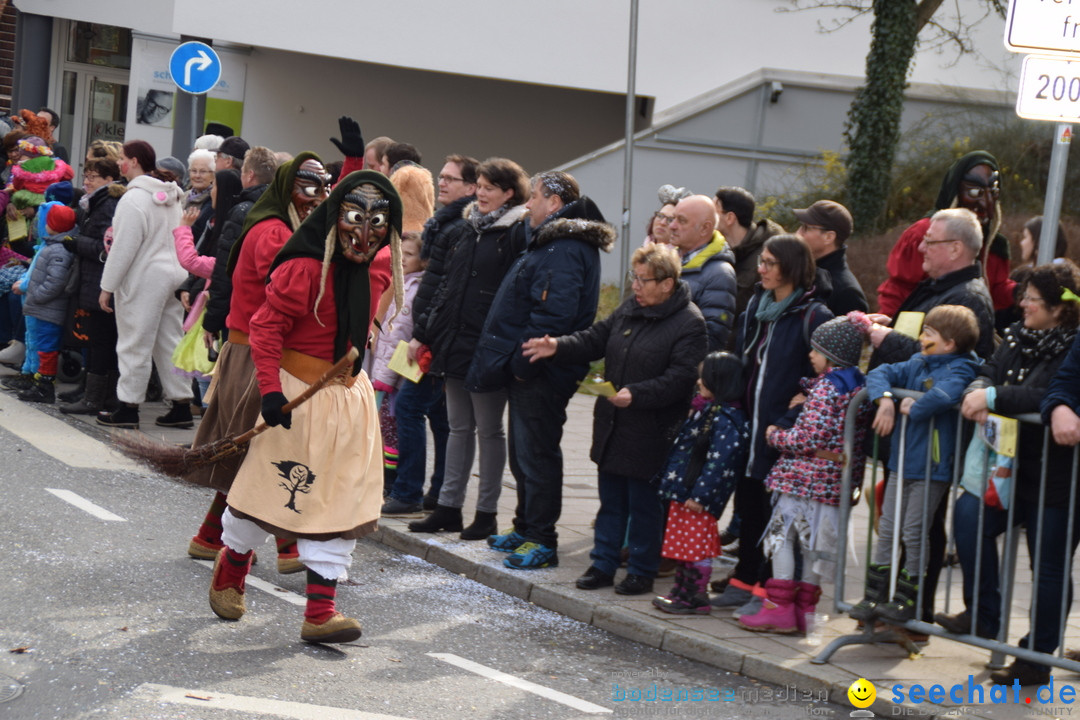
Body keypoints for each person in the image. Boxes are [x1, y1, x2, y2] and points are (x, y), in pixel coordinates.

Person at [208, 170, 403, 645]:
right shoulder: (302, 269)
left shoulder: (381, 268)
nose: (365, 232)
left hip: (350, 399)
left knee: (341, 498)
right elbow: (266, 328)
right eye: (356, 218)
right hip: (299, 396)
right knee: (269, 490)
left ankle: (320, 613)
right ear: (336, 218)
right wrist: (271, 392)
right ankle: (231, 568)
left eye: (378, 221)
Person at [523, 244, 707, 591]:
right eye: (633, 278)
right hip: (614, 425)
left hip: (652, 431)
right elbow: (595, 338)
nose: (635, 286)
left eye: (643, 280)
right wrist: (558, 346)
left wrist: (637, 394)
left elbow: (681, 377)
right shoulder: (629, 309)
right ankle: (602, 565)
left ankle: (641, 570)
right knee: (611, 504)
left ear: (667, 283)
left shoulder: (689, 323)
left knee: (645, 507)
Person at [934, 263, 1080, 686]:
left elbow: (1048, 392)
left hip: (1057, 472)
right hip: (1005, 462)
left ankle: (1037, 654)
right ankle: (983, 615)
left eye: (1032, 298)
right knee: (969, 518)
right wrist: (976, 391)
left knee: (1048, 564)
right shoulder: (1016, 333)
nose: (1023, 304)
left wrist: (994, 396)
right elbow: (989, 369)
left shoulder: (1071, 342)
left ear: (1058, 308)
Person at [185, 153, 330, 572]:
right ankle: (285, 549)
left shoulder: (282, 225)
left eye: (322, 189)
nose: (317, 199)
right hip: (254, 349)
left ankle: (211, 537)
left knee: (256, 447)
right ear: (288, 189)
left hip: (257, 345)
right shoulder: (273, 232)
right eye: (308, 189)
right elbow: (282, 294)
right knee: (263, 448)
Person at [469, 172, 614, 569]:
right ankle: (526, 525)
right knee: (524, 452)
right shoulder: (550, 242)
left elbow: (554, 314)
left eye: (534, 197)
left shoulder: (564, 247)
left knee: (536, 454)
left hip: (544, 368)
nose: (528, 205)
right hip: (533, 367)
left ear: (554, 202)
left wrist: (521, 366)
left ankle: (541, 537)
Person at [405, 158, 528, 535]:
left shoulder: (516, 232)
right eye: (481, 185)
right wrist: (424, 333)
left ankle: (487, 513)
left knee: (489, 430)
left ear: (509, 193)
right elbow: (445, 288)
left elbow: (516, 295)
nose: (483, 193)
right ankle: (448, 507)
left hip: (490, 347)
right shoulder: (467, 228)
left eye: (491, 187)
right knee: (459, 427)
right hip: (455, 343)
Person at [712, 235, 833, 612]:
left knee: (776, 517)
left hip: (784, 436)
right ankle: (745, 580)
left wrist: (797, 409)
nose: (760, 269)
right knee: (749, 509)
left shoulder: (814, 315)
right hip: (752, 429)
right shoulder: (756, 309)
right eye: (760, 261)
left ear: (791, 268)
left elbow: (828, 373)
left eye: (769, 263)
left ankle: (770, 591)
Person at [738, 314, 872, 633]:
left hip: (804, 478)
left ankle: (778, 607)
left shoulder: (826, 388)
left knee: (781, 537)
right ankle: (804, 609)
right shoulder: (856, 384)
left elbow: (806, 438)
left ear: (832, 356)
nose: (810, 355)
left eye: (815, 350)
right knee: (814, 545)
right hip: (832, 479)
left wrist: (773, 434)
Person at [853, 305, 981, 624]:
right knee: (887, 527)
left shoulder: (962, 368)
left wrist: (916, 406)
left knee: (913, 530)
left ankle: (907, 597)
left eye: (929, 334)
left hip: (931, 468)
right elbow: (880, 373)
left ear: (949, 343)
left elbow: (945, 394)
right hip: (901, 462)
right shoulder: (917, 362)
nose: (922, 338)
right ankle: (874, 594)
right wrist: (885, 399)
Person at [388, 154, 476, 513]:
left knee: (409, 407)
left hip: (436, 339)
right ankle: (437, 491)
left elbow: (443, 288)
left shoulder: (458, 227)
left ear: (470, 187)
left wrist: (422, 334)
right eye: (441, 176)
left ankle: (409, 491)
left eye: (452, 178)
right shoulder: (445, 222)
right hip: (435, 336)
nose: (444, 183)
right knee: (439, 416)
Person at [96, 140, 192, 429]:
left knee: (134, 342)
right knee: (169, 340)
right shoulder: (173, 195)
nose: (119, 164)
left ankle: (128, 407)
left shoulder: (134, 199)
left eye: (123, 158)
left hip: (144, 277)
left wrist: (107, 286)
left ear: (135, 161)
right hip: (174, 273)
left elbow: (124, 247)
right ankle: (181, 404)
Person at [651, 351, 749, 615]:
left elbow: (721, 463)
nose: (698, 382)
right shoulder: (707, 409)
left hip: (698, 497)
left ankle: (695, 596)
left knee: (695, 547)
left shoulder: (726, 418)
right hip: (685, 490)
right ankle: (681, 591)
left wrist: (701, 496)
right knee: (683, 544)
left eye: (703, 378)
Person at [877, 151, 1013, 326]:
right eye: (974, 192)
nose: (986, 202)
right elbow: (900, 291)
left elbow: (995, 289)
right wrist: (892, 333)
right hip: (923, 337)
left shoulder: (994, 245)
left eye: (993, 192)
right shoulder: (925, 233)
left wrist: (1026, 292)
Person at [60, 157, 125, 415]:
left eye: (93, 177)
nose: (86, 182)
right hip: (95, 279)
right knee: (100, 339)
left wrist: (77, 244)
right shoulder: (97, 201)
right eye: (86, 176)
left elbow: (106, 247)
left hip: (102, 281)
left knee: (101, 340)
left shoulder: (108, 203)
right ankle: (100, 395)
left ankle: (95, 399)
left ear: (109, 180)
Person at [203, 146, 279, 341]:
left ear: (250, 175)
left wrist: (212, 321)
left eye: (243, 171)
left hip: (241, 317)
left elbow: (225, 270)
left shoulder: (243, 212)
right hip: (271, 318)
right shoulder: (281, 209)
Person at [14, 203, 78, 403]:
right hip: (41, 308)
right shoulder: (52, 246)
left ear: (54, 225)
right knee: (41, 345)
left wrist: (37, 296)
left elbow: (55, 282)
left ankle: (45, 386)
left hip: (48, 309)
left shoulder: (58, 250)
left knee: (46, 347)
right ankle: (38, 382)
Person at [667, 194, 738, 351]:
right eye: (673, 219)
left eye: (682, 220)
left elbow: (710, 338)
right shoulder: (669, 260)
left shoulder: (720, 274)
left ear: (705, 228)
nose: (672, 225)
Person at [715, 186, 784, 322]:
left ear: (730, 218)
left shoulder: (768, 254)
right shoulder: (718, 250)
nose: (707, 217)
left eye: (713, 212)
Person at [793, 200, 868, 316]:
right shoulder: (800, 272)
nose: (798, 233)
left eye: (806, 228)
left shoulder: (846, 292)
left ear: (829, 237)